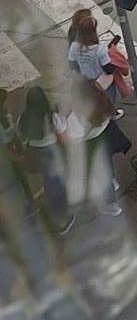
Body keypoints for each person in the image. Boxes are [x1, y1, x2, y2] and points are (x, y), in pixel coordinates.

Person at [61, 80, 130, 218]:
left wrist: (61, 127)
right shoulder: (104, 102)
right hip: (105, 138)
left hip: (90, 145)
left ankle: (111, 205)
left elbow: (73, 140)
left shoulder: (77, 117)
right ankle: (112, 182)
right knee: (107, 165)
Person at [17, 88, 74, 235]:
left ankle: (30, 209)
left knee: (37, 182)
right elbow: (63, 139)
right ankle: (62, 221)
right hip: (51, 153)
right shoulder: (51, 117)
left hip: (33, 153)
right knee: (55, 186)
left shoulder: (23, 118)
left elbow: (21, 136)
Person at [66, 15, 123, 115]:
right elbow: (108, 70)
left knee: (92, 102)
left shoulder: (74, 46)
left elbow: (72, 65)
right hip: (101, 81)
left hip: (86, 81)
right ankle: (112, 115)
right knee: (107, 99)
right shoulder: (99, 49)